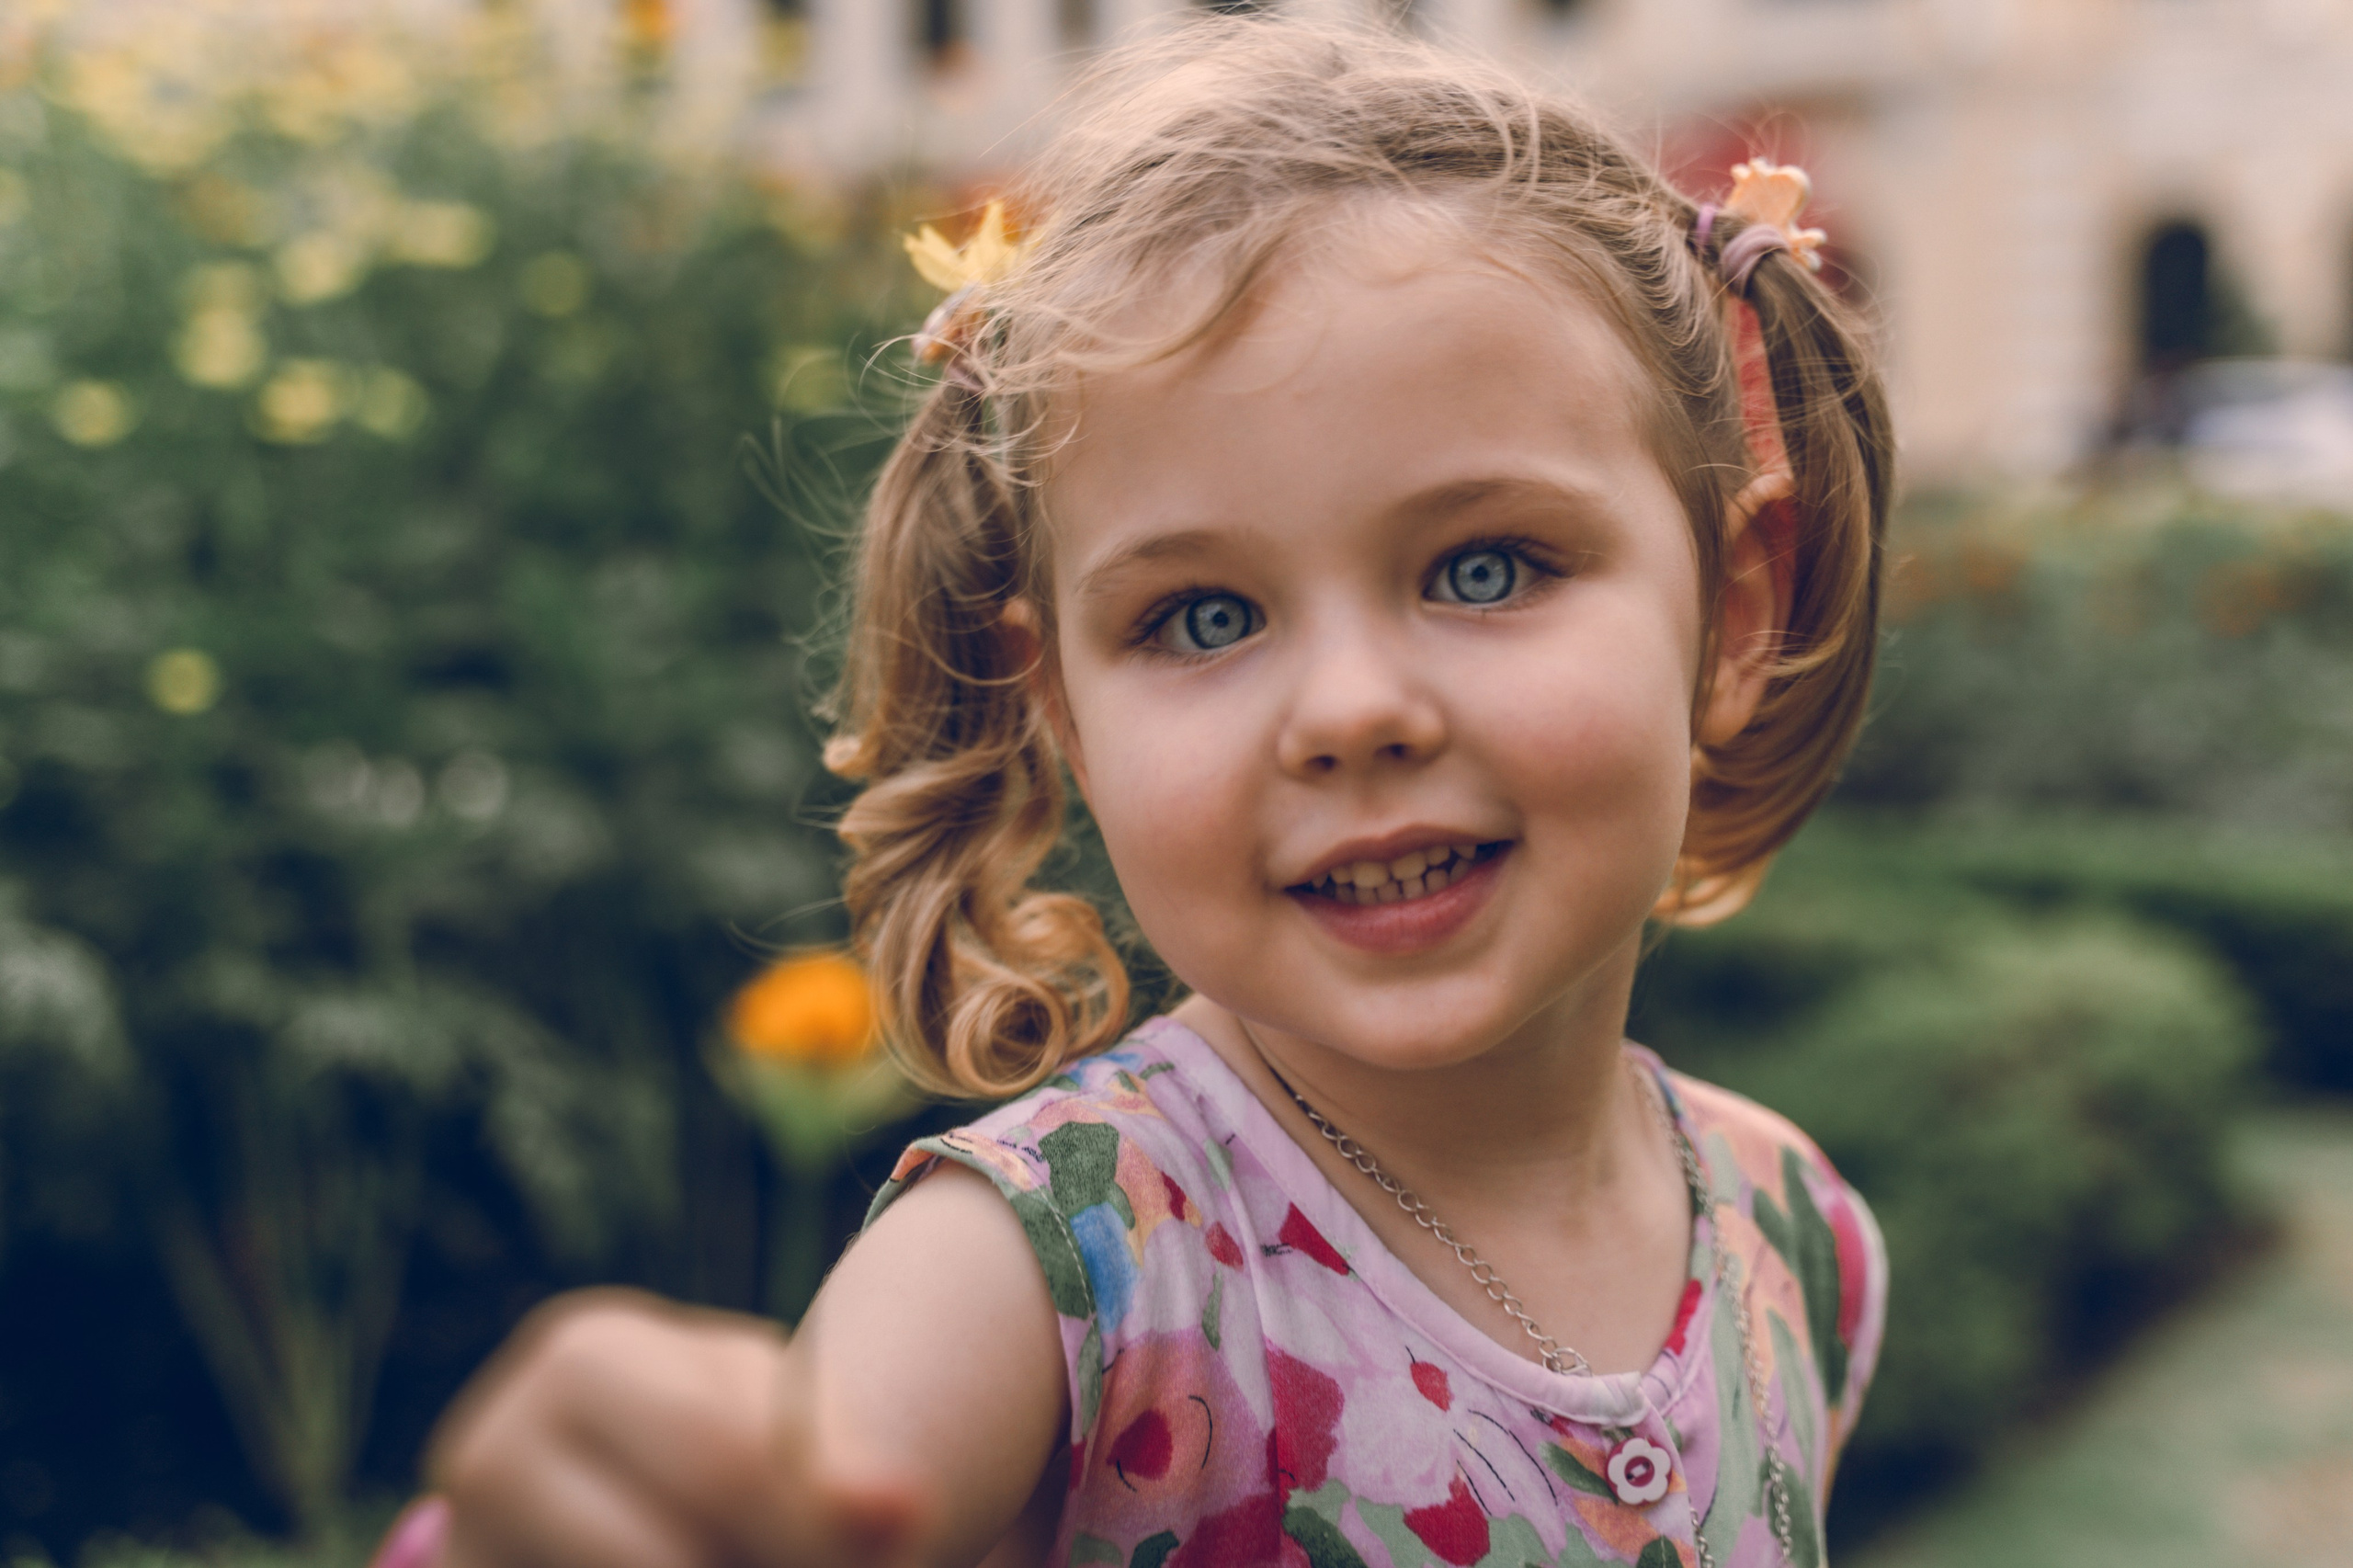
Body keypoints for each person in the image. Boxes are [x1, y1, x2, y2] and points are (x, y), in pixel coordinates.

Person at [391, 17, 1893, 1568]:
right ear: (1068, 716)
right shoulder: (1056, 1272)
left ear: (1737, 609)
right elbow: (789, 1506)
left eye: (1484, 567)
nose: (1351, 711)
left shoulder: (1795, 1230)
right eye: (1204, 618)